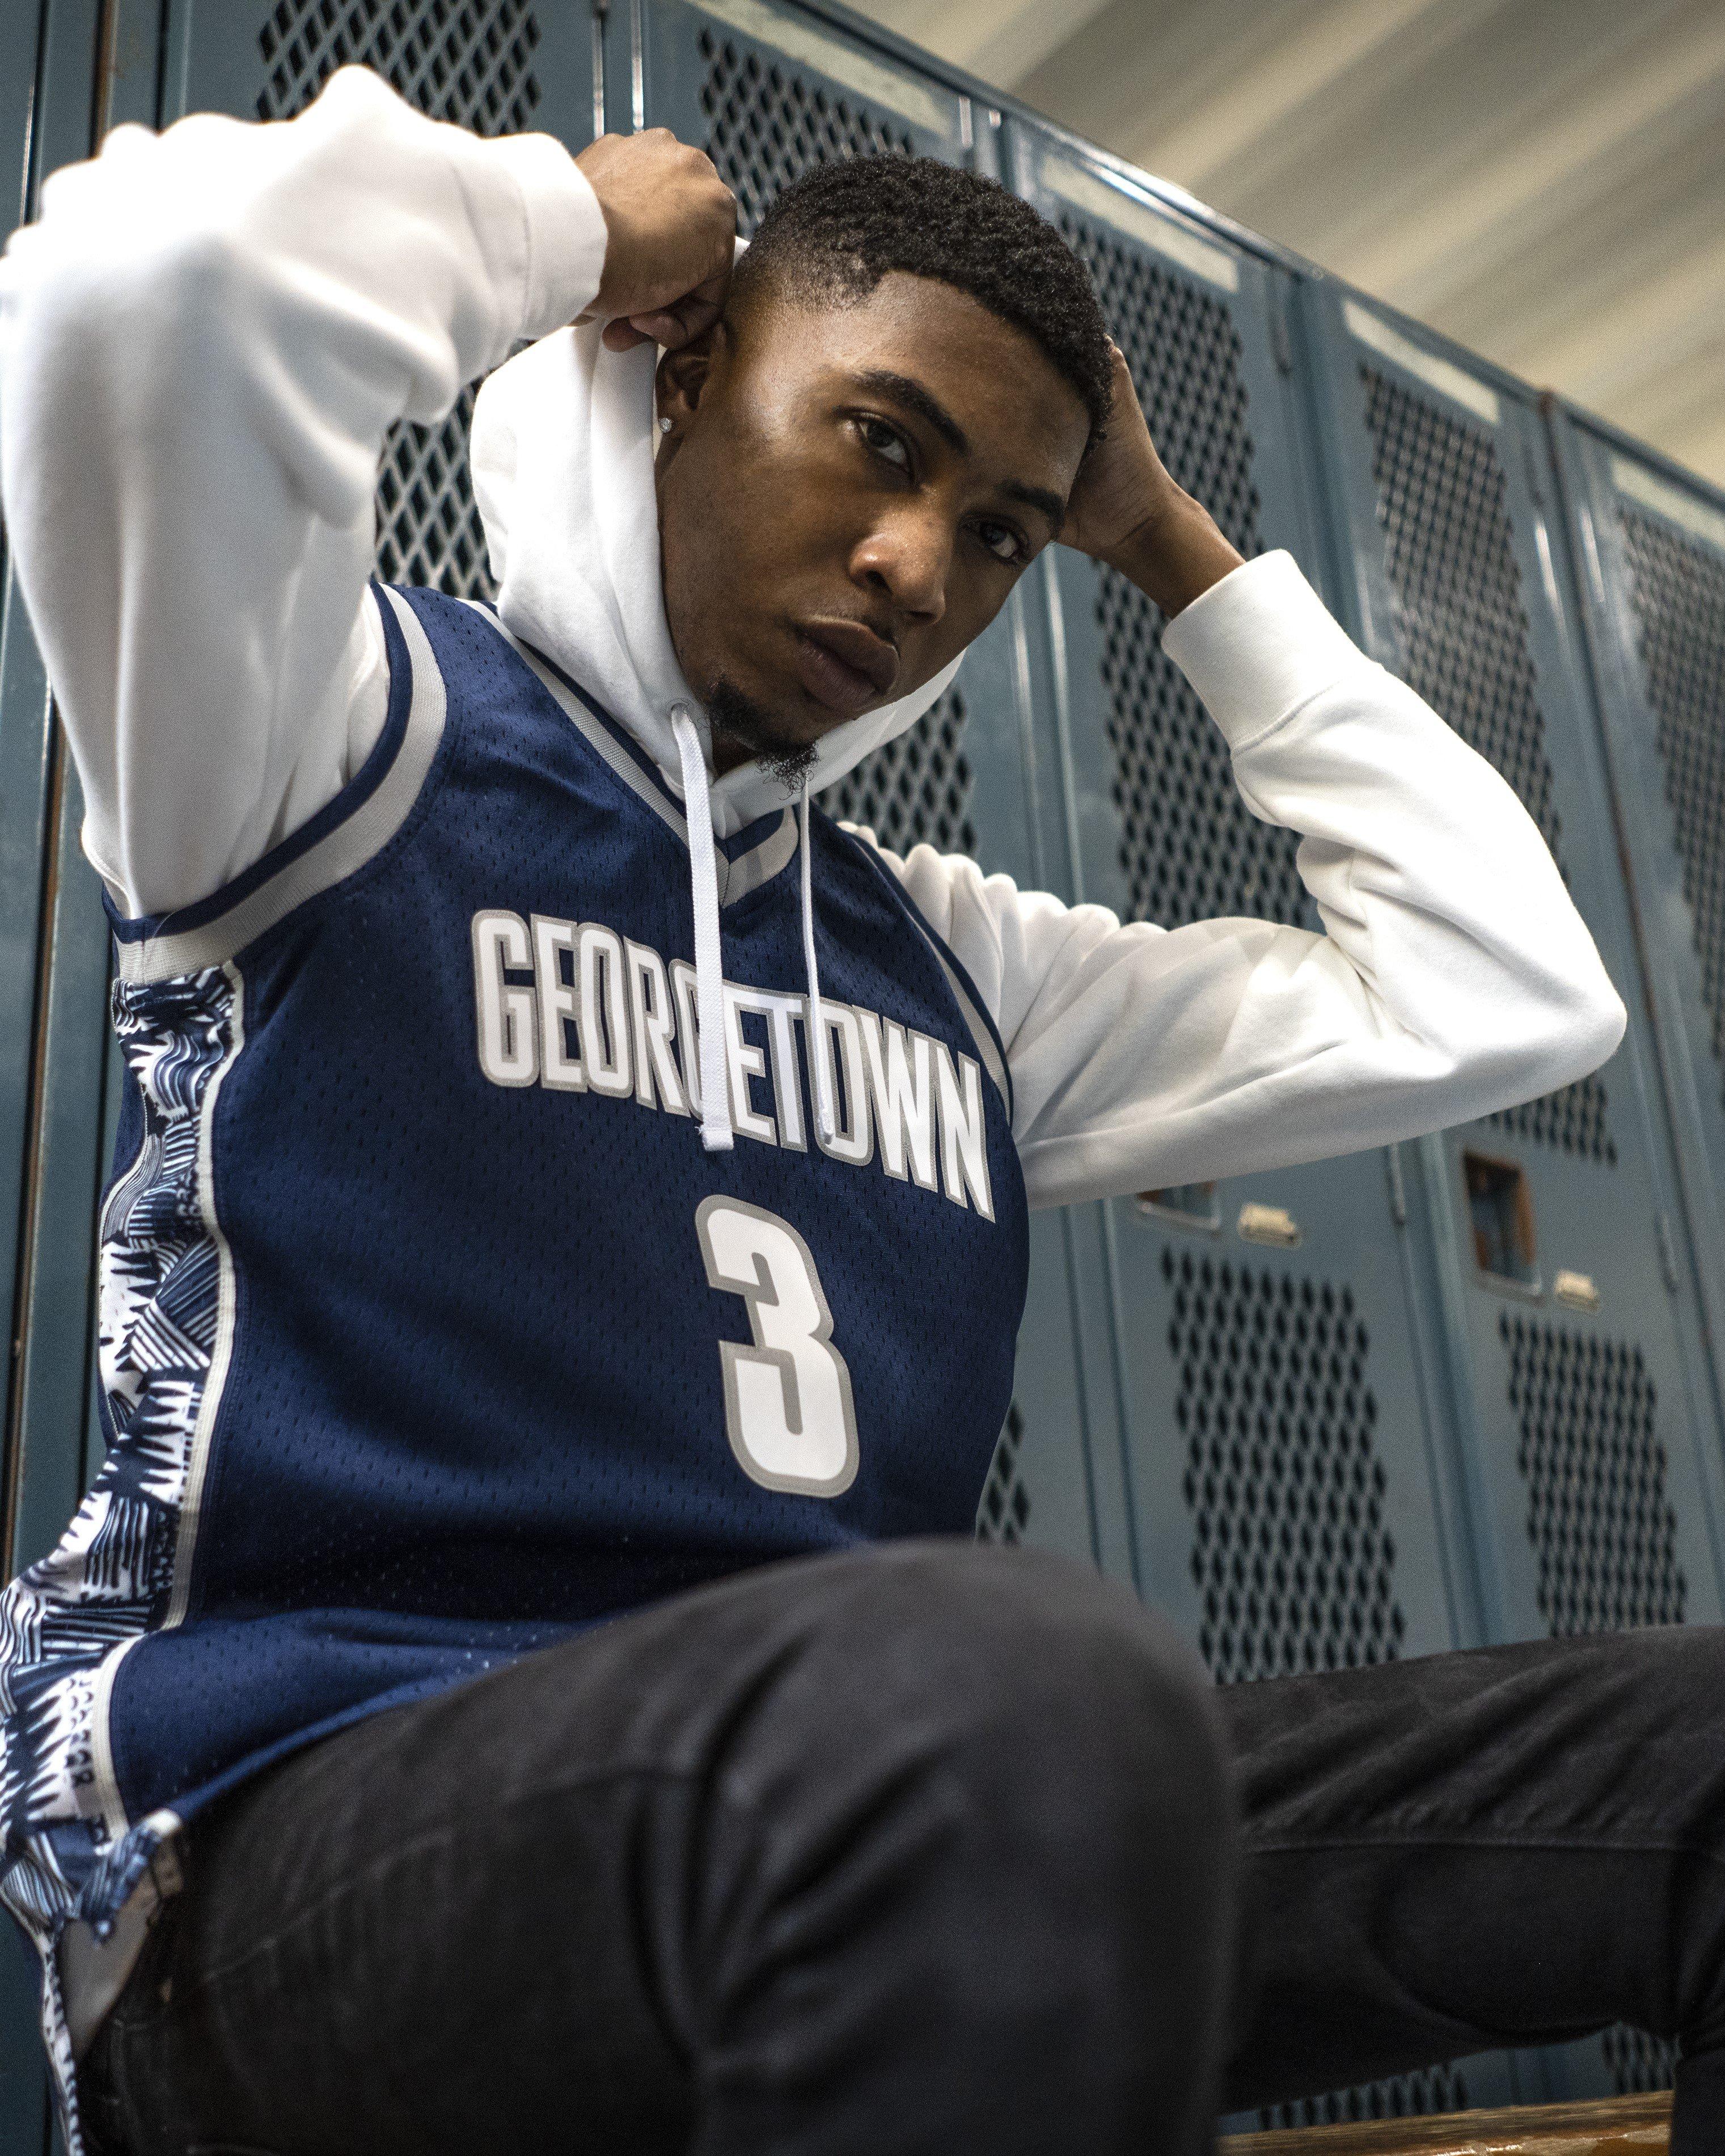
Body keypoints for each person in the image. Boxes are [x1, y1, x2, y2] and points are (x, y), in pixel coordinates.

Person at [0, 62, 1715, 2156]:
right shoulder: (327, 742)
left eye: (998, 535)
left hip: (900, 1802)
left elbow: (1511, 993)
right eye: (877, 447)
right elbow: (140, 277)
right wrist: (560, 224)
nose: (919, 570)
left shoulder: (948, 962)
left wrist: (1168, 546)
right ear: (684, 372)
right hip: (287, 1852)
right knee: (1002, 1690)